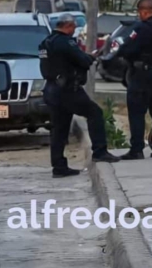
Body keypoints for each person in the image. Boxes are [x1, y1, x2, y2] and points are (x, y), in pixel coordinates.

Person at [39, 13, 121, 178]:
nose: (74, 31)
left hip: (51, 90)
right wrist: (89, 57)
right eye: (73, 27)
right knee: (94, 113)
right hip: (68, 90)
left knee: (59, 129)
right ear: (67, 26)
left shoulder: (46, 42)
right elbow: (81, 60)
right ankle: (100, 151)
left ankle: (59, 166)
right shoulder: (65, 42)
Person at [114, 0, 152, 159]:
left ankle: (137, 149)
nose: (139, 15)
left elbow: (127, 48)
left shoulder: (142, 28)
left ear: (144, 11)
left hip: (142, 75)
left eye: (139, 12)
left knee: (136, 112)